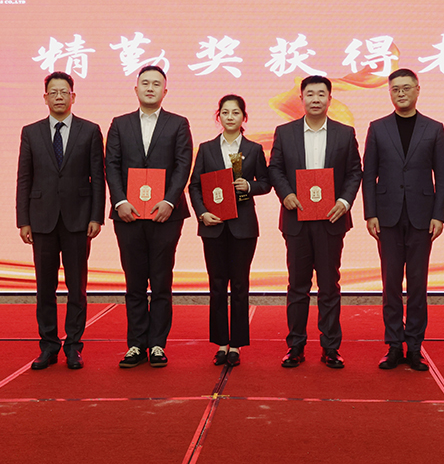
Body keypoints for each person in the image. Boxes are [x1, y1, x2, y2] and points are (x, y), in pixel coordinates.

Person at [268, 75, 362, 369]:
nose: (316, 99)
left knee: (329, 286)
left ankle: (330, 347)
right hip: (296, 219)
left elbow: (355, 172)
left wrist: (344, 202)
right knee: (297, 286)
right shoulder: (285, 133)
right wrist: (286, 194)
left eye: (322, 94)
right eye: (310, 94)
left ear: (330, 99)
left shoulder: (344, 134)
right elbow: (275, 169)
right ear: (301, 99)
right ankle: (295, 346)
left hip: (330, 219)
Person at [16, 71, 105, 371]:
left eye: (63, 92)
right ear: (45, 98)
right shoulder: (31, 132)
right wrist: (23, 220)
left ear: (73, 96)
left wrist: (96, 216)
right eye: (53, 92)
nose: (58, 97)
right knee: (45, 288)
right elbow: (24, 178)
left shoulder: (90, 131)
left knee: (77, 287)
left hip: (78, 220)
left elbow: (98, 178)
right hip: (41, 220)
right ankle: (48, 346)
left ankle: (74, 347)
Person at [105, 65, 192, 368]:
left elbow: (183, 164)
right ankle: (135, 344)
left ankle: (157, 345)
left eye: (156, 84)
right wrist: (119, 201)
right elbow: (111, 164)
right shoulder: (120, 124)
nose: (150, 88)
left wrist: (169, 201)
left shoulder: (178, 123)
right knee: (134, 282)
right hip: (128, 214)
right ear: (136, 89)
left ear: (165, 91)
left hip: (165, 215)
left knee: (161, 280)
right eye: (145, 83)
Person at [362, 68, 444, 371]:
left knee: (417, 285)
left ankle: (414, 346)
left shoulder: (434, 128)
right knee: (390, 284)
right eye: (395, 89)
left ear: (417, 90)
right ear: (390, 93)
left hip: (422, 217)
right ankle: (393, 345)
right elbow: (368, 175)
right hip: (386, 216)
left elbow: (443, 177)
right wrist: (370, 213)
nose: (401, 93)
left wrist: (439, 215)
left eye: (406, 88)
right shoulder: (378, 128)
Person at [188, 95, 271, 367]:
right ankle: (221, 343)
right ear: (218, 116)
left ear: (244, 117)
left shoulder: (254, 149)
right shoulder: (207, 148)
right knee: (216, 284)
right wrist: (202, 213)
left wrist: (249, 186)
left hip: (243, 227)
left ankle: (236, 345)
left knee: (239, 285)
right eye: (225, 112)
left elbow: (266, 183)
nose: (230, 117)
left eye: (236, 112)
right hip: (213, 225)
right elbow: (194, 185)